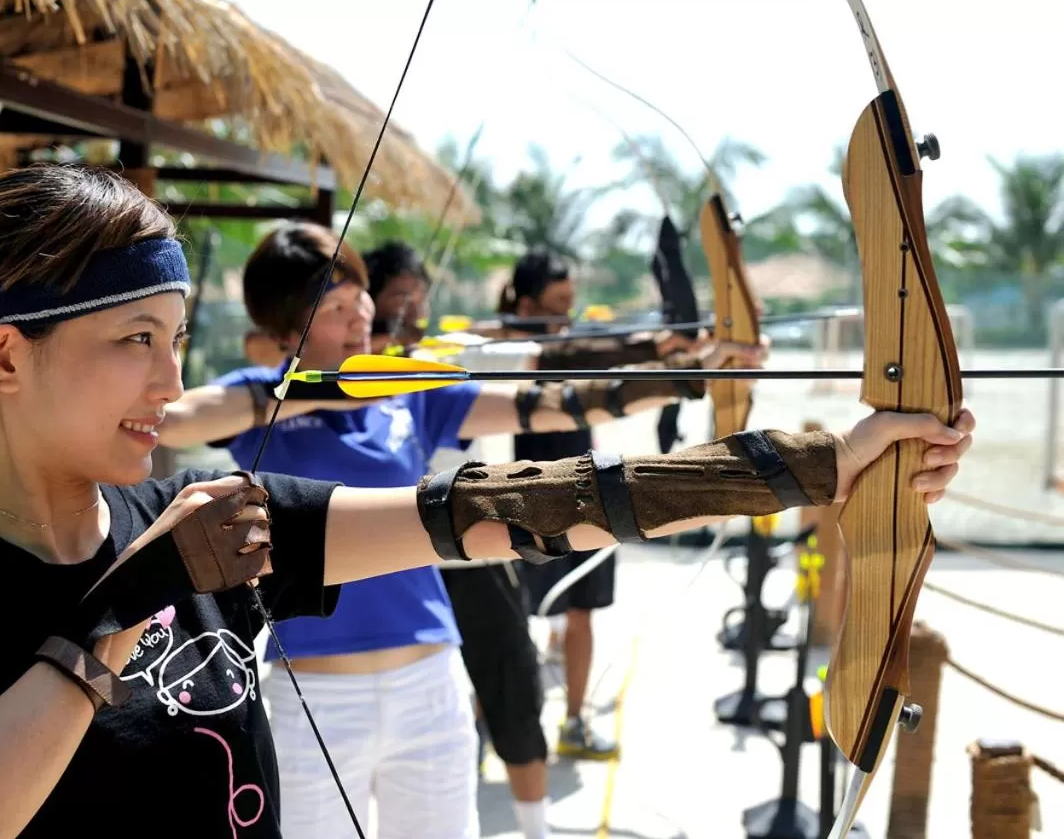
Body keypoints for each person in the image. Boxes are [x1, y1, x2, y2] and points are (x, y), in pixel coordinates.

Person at [0, 165, 975, 839]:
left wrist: (818, 461)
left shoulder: (228, 520)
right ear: (1, 361)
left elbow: (516, 505)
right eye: (134, 341)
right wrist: (131, 595)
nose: (169, 382)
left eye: (179, 340)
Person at [161, 225, 799, 839]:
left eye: (359, 299)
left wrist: (689, 375)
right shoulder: (255, 399)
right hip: (316, 695)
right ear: (285, 328)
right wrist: (324, 392)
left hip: (427, 681)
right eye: (335, 308)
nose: (360, 317)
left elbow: (561, 404)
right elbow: (171, 419)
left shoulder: (407, 391)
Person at [364, 240, 707, 839]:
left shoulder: (448, 357)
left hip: (466, 549)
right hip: (388, 554)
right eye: (397, 298)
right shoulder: (346, 379)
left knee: (514, 686)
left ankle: (533, 829)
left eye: (419, 298)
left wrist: (659, 351)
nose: (411, 312)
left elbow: (558, 355)